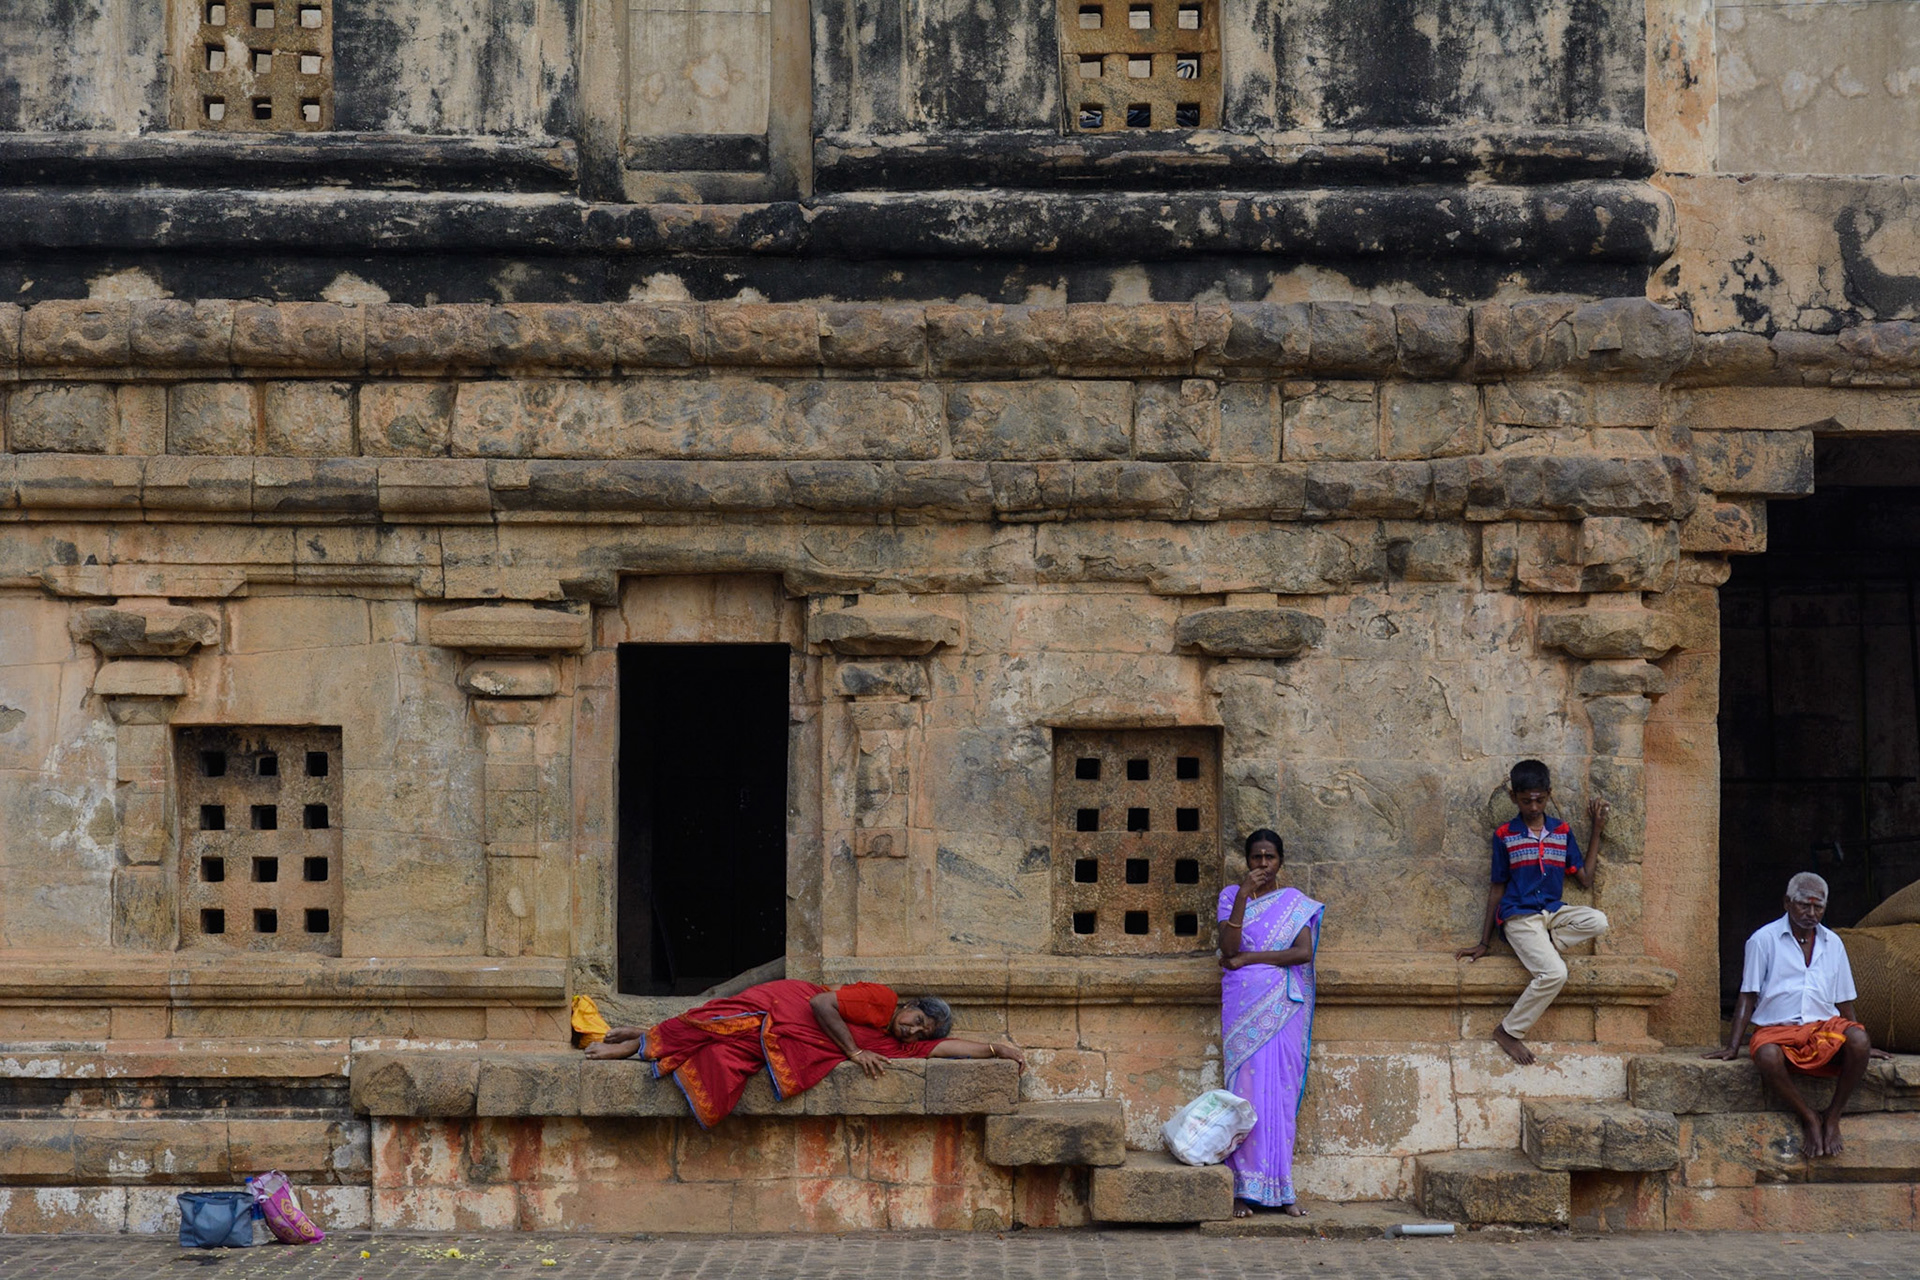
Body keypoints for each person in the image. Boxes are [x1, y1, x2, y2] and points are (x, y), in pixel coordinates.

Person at [584, 978, 1026, 1127]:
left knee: (728, 1051)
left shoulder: (899, 1043)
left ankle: (642, 1035)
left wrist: (996, 1048)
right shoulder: (883, 1001)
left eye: (921, 1031)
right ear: (908, 1006)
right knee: (720, 1022)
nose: (913, 1032)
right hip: (788, 1005)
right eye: (916, 1020)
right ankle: (636, 1048)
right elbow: (821, 1004)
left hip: (790, 1035)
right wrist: (853, 1052)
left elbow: (945, 1049)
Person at [1704, 872, 1892, 1156]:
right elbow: (1748, 995)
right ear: (1787, 903)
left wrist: (1861, 1040)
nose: (1811, 913)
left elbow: (1844, 999)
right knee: (1766, 1056)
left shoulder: (1834, 943)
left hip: (1822, 1029)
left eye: (1819, 907)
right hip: (1776, 1030)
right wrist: (1732, 1046)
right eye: (1804, 905)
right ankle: (1808, 1116)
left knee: (1859, 1040)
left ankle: (1832, 1115)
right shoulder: (1763, 940)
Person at [1456, 759, 1610, 1066]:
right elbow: (1497, 888)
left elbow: (1585, 878)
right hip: (1519, 917)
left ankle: (1547, 943)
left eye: (1540, 799)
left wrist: (1597, 830)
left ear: (1549, 795)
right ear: (1515, 798)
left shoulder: (1561, 832)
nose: (1534, 806)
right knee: (1555, 973)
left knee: (1598, 920)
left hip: (1552, 914)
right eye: (1526, 800)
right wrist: (1484, 942)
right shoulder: (1505, 835)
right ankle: (1508, 1031)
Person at [1218, 828, 1324, 1219]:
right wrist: (1244, 894)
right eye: (1256, 857)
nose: (1263, 864)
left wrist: (1249, 959)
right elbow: (1228, 948)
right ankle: (1242, 1191)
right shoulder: (1231, 897)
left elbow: (1302, 952)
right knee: (1245, 1093)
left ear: (1281, 861)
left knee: (1279, 1094)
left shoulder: (1294, 903)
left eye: (1270, 858)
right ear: (1247, 860)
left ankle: (1282, 1189)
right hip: (1243, 1010)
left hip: (1282, 1009)